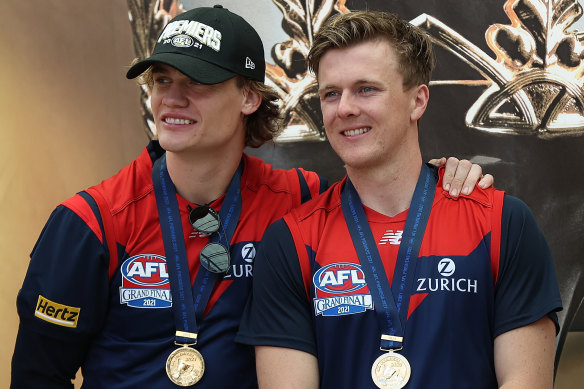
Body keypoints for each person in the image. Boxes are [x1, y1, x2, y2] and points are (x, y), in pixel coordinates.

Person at [10, 5, 491, 389]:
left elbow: (387, 192)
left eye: (196, 82)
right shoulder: (92, 221)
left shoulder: (299, 199)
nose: (172, 99)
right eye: (161, 81)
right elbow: (38, 374)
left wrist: (446, 176)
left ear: (248, 97)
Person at [236, 10, 563, 389]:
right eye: (330, 94)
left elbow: (526, 381)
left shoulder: (502, 222)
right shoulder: (291, 241)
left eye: (366, 89)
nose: (344, 108)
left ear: (418, 101)